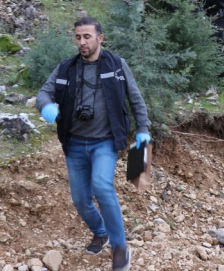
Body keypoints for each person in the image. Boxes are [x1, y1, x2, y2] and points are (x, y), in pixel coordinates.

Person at [36, 17, 149, 271]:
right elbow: (44, 92)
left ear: (100, 38)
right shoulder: (66, 68)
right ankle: (101, 232)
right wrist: (46, 107)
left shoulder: (117, 65)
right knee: (80, 199)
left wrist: (143, 130)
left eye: (87, 37)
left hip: (105, 142)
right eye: (78, 37)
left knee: (102, 185)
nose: (82, 42)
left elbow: (135, 98)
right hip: (74, 144)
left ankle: (119, 247)